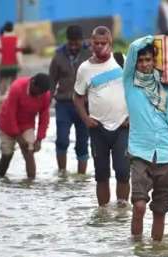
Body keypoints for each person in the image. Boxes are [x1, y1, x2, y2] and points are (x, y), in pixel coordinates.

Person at [123, 35, 168, 241]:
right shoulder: (130, 83)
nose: (144, 64)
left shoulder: (167, 88)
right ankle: (137, 247)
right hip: (140, 153)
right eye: (141, 61)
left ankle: (156, 255)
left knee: (160, 211)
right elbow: (133, 47)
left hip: (167, 155)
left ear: (154, 61)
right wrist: (155, 39)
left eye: (148, 59)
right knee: (139, 205)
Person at [73, 26, 130, 207]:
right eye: (95, 43)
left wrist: (132, 117)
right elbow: (77, 97)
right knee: (101, 174)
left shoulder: (123, 61)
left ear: (110, 43)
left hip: (123, 127)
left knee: (122, 172)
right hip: (98, 129)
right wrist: (85, 118)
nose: (99, 46)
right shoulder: (85, 69)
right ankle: (103, 213)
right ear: (91, 43)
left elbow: (138, 90)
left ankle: (122, 210)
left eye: (103, 43)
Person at [49, 25, 92, 175]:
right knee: (62, 139)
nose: (73, 46)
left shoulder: (90, 54)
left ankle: (81, 177)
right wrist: (47, 100)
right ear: (67, 41)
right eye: (70, 43)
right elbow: (52, 81)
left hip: (85, 105)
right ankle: (62, 173)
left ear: (82, 40)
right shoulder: (58, 56)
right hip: (63, 104)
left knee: (82, 143)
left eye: (76, 43)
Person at [0, 73, 51, 179]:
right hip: (7, 125)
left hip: (26, 125)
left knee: (29, 152)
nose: (39, 96)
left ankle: (31, 185)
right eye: (38, 92)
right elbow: (10, 114)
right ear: (32, 83)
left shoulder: (45, 95)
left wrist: (39, 139)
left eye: (42, 93)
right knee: (7, 154)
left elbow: (44, 118)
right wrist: (18, 136)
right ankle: (1, 179)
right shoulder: (16, 88)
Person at [0, 22, 23, 95]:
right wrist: (20, 64)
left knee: (3, 81)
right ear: (12, 29)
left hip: (3, 65)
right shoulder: (17, 39)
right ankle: (12, 96)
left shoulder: (0, 39)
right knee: (13, 82)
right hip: (13, 64)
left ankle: (1, 99)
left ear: (4, 29)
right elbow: (18, 53)